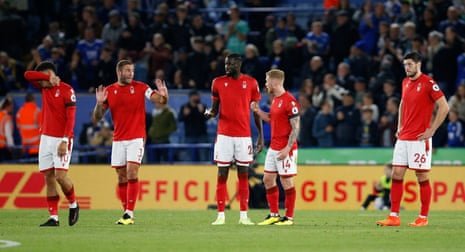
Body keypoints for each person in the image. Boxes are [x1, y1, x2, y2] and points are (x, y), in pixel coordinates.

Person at [377, 52, 449, 227]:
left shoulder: (428, 83)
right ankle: (394, 216)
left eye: (410, 64)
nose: (407, 68)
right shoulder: (405, 82)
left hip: (419, 139)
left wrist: (431, 130)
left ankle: (423, 218)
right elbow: (403, 103)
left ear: (419, 64)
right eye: (405, 64)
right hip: (404, 137)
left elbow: (444, 107)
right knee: (396, 174)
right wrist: (400, 126)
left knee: (421, 176)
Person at [93, 59, 168, 225]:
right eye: (127, 71)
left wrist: (164, 95)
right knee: (121, 177)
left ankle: (129, 213)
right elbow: (97, 117)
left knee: (132, 172)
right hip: (119, 139)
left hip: (136, 137)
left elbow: (161, 101)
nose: (130, 74)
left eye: (132, 71)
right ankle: (126, 212)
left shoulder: (141, 87)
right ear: (119, 72)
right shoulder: (110, 91)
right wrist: (99, 104)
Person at [204, 53, 264, 225]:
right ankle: (220, 215)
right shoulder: (217, 83)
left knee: (243, 175)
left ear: (239, 64)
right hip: (223, 135)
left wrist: (260, 136)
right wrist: (209, 114)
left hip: (244, 136)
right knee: (222, 174)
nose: (227, 67)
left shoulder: (252, 83)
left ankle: (244, 216)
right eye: (225, 64)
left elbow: (256, 112)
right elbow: (215, 110)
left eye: (230, 64)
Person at [23, 61, 80, 227]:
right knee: (48, 178)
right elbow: (28, 75)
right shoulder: (44, 87)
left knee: (60, 177)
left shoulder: (67, 90)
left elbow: (71, 118)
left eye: (46, 76)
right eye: (41, 78)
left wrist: (64, 140)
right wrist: (47, 77)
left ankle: (74, 204)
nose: (42, 81)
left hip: (62, 138)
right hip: (45, 138)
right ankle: (54, 217)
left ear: (54, 73)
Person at [252, 69, 300, 226]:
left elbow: (296, 127)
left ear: (274, 82)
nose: (266, 84)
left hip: (286, 148)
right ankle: (274, 214)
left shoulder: (290, 101)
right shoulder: (276, 100)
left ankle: (289, 218)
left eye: (267, 81)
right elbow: (273, 119)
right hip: (274, 147)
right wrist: (258, 111)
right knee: (267, 179)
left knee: (286, 181)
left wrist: (287, 148)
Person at [16, 93, 42, 159]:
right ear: (33, 100)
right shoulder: (37, 111)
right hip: (36, 145)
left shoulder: (20, 111)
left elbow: (18, 126)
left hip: (25, 144)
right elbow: (42, 128)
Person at [0, 96, 14, 161]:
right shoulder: (6, 118)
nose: (12, 107)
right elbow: (8, 134)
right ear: (7, 106)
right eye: (11, 106)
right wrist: (11, 146)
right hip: (2, 147)